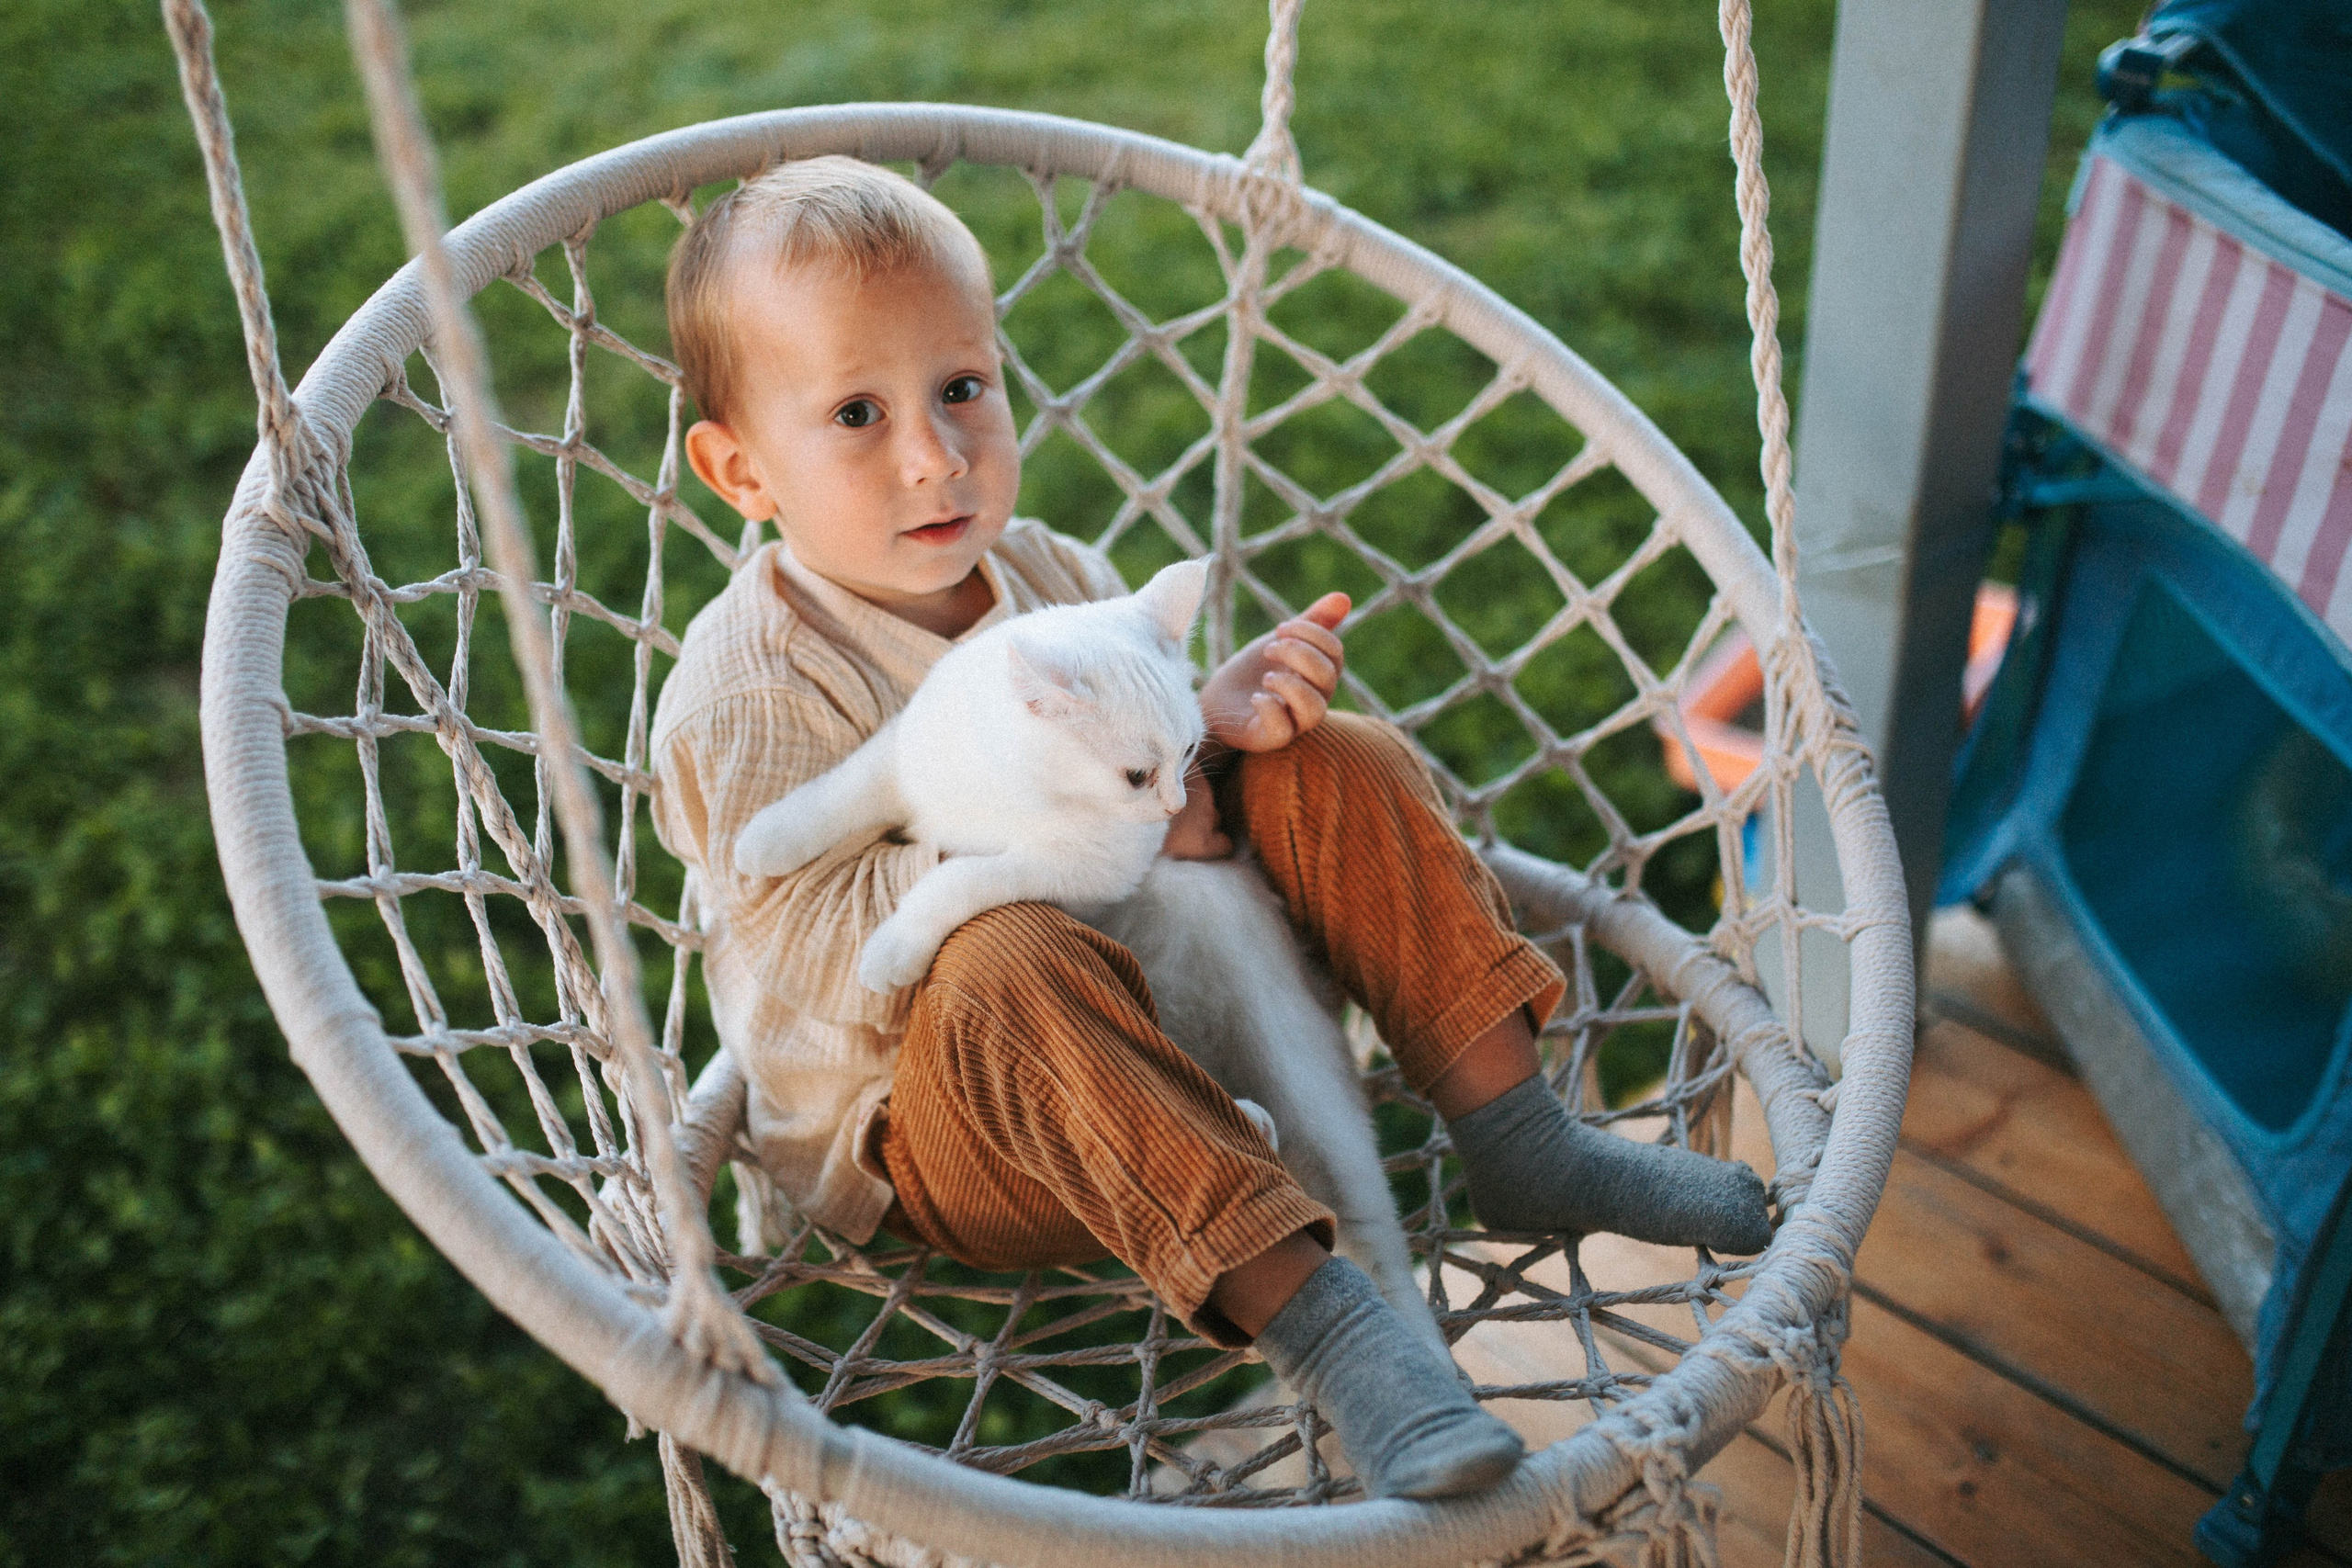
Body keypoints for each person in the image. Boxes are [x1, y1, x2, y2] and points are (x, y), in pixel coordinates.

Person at [649, 155, 1772, 1498]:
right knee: (1009, 962)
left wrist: (1208, 730)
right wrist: (1086, 839)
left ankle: (1516, 1134)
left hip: (1152, 991)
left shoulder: (1051, 575)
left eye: (962, 389)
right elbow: (796, 961)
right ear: (738, 470)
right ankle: (1329, 1323)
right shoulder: (748, 684)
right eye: (854, 412)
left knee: (1333, 761)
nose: (934, 455)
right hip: (949, 1112)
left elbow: (1143, 775)